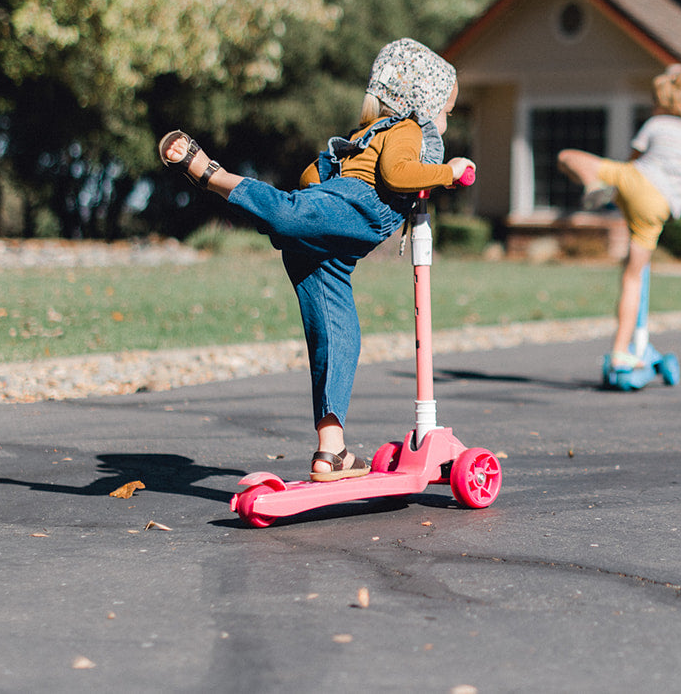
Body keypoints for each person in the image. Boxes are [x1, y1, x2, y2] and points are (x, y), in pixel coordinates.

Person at [159, 39, 472, 482]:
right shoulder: (408, 131)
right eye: (446, 108)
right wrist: (450, 173)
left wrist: (326, 179)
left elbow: (313, 174)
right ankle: (215, 174)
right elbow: (398, 175)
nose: (446, 118)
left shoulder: (364, 136)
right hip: (354, 209)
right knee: (291, 218)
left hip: (332, 245)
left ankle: (333, 452)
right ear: (423, 100)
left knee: (338, 336)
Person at [557, 63, 681, 370]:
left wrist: (617, 184)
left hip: (635, 182)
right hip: (659, 208)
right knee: (633, 278)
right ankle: (620, 353)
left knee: (568, 157)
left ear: (668, 101)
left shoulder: (657, 125)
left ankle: (594, 185)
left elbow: (632, 161)